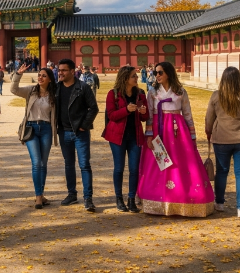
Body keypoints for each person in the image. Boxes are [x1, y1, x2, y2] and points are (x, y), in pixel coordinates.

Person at [139, 62, 214, 217]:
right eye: (155, 72)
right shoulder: (152, 92)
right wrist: (149, 135)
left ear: (168, 73)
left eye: (160, 73)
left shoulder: (180, 92)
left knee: (181, 164)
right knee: (159, 165)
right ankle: (158, 198)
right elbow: (150, 117)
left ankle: (183, 196)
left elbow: (187, 114)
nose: (157, 76)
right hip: (159, 131)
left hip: (177, 132)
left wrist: (193, 137)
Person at [205, 66, 240, 218]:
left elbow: (209, 119)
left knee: (221, 171)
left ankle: (219, 202)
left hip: (221, 138)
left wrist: (209, 130)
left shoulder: (216, 96)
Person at [55, 59, 99, 212]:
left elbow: (93, 108)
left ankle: (88, 198)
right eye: (59, 70)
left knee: (84, 165)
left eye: (64, 70)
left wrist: (84, 125)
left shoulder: (83, 87)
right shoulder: (56, 88)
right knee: (68, 164)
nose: (60, 73)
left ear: (73, 71)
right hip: (63, 132)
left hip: (79, 133)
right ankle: (71, 194)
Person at [11, 64, 57, 209]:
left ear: (50, 79)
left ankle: (41, 194)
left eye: (44, 75)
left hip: (46, 129)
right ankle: (38, 196)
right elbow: (14, 89)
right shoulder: (31, 91)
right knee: (36, 163)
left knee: (43, 164)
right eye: (39, 75)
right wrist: (18, 74)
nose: (40, 77)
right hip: (31, 128)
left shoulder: (54, 94)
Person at [104, 66, 148, 213]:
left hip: (135, 136)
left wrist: (143, 112)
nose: (137, 78)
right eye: (133, 76)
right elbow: (111, 116)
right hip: (117, 136)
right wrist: (126, 110)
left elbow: (144, 118)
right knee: (119, 168)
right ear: (125, 79)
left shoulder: (141, 94)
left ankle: (131, 199)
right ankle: (119, 199)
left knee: (134, 169)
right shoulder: (113, 94)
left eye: (136, 75)